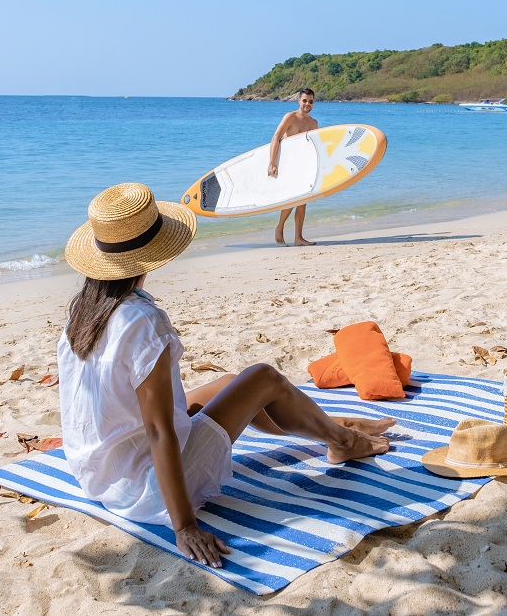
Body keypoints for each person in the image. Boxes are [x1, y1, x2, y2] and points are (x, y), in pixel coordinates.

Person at [58, 182, 393, 569]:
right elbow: (159, 431)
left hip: (99, 474)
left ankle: (325, 423)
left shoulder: (83, 310)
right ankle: (343, 440)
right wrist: (185, 527)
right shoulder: (143, 320)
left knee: (232, 383)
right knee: (263, 378)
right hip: (146, 489)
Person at [268, 88, 319, 246]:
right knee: (291, 200)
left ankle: (298, 238)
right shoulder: (291, 117)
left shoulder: (313, 123)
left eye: (310, 101)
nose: (307, 104)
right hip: (288, 164)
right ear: (299, 100)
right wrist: (272, 162)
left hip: (304, 166)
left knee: (302, 202)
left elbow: (314, 148)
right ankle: (279, 227)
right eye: (304, 101)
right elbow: (276, 137)